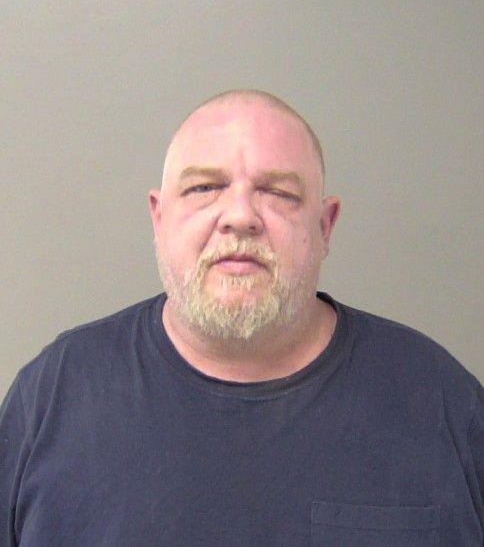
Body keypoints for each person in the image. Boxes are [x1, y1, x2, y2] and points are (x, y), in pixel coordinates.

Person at [0, 90, 482, 546]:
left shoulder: (441, 402)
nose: (240, 216)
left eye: (278, 192)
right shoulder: (54, 395)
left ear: (324, 226)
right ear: (159, 219)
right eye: (204, 187)